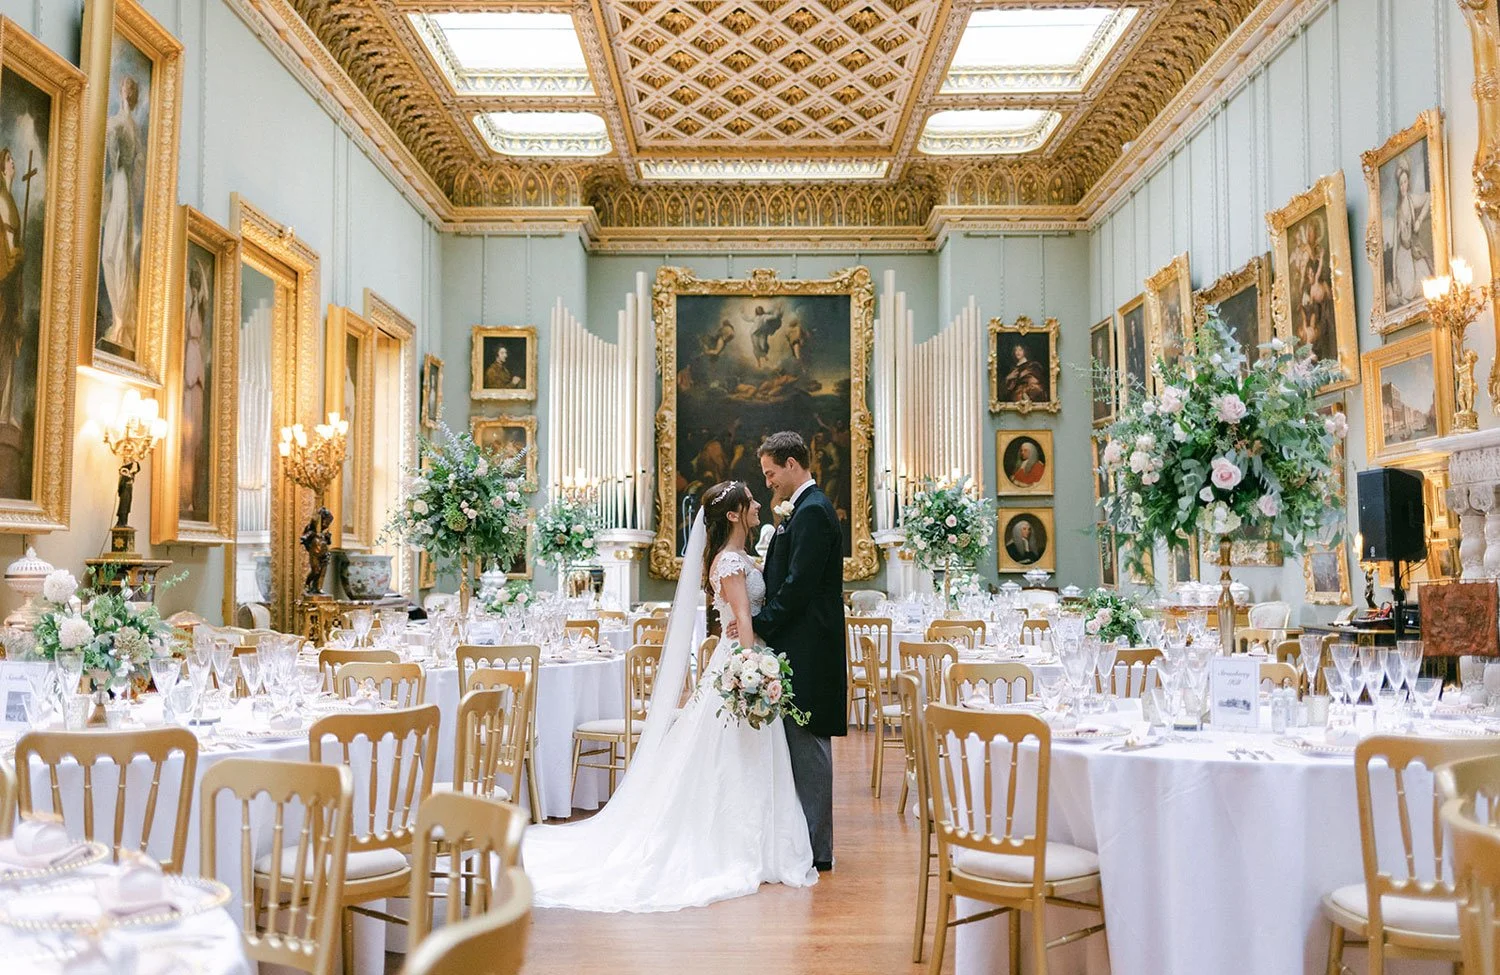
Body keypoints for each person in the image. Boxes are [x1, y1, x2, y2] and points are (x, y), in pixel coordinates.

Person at [524, 480, 817, 912]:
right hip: (741, 663)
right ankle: (737, 841)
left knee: (740, 752)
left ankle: (756, 838)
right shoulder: (729, 562)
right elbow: (741, 618)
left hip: (742, 658)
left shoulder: (741, 559)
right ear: (733, 514)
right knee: (732, 751)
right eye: (750, 501)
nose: (758, 503)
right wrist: (753, 668)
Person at [741, 430, 846, 871]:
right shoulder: (800, 509)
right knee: (799, 746)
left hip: (808, 648)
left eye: (771, 473)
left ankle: (819, 852)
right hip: (798, 645)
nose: (768, 484)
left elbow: (798, 587)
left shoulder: (813, 512)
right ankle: (805, 843)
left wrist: (759, 625)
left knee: (809, 748)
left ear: (791, 464)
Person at [99, 75, 143, 352]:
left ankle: (120, 320)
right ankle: (119, 319)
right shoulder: (117, 122)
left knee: (118, 253)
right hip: (117, 185)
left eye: (128, 89)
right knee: (110, 254)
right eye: (123, 87)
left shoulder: (128, 125)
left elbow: (126, 158)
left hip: (122, 185)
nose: (123, 91)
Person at [1391, 155, 1433, 305]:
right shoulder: (1398, 212)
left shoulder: (1411, 200)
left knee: (1427, 281)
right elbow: (1396, 245)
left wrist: (1420, 220)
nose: (1403, 186)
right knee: (1408, 291)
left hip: (1414, 250)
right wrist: (1395, 276)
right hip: (1403, 256)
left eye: (1405, 182)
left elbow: (1428, 197)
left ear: (1408, 183)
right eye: (1401, 183)